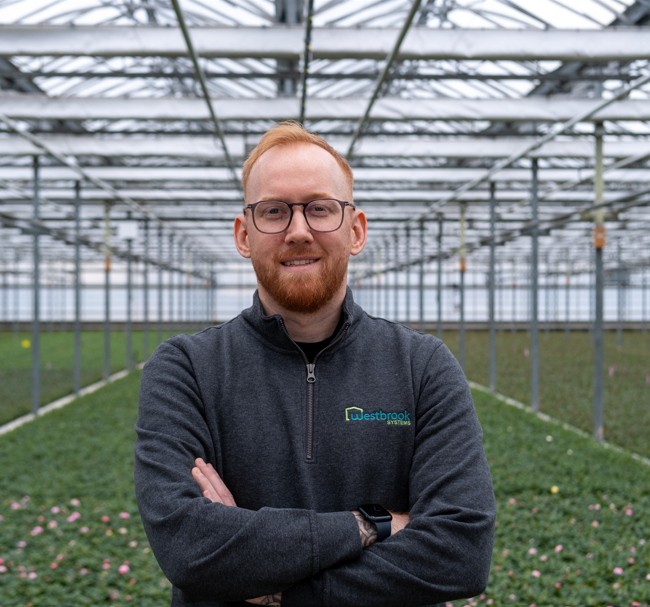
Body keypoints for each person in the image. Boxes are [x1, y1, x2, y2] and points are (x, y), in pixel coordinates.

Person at [134, 121, 496, 607]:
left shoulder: (423, 367)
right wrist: (374, 524)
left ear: (356, 230)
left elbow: (460, 553)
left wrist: (276, 589)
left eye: (321, 208)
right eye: (274, 212)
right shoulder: (186, 370)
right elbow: (190, 549)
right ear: (244, 235)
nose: (299, 231)